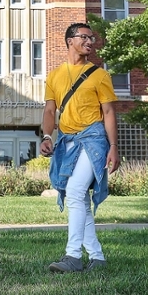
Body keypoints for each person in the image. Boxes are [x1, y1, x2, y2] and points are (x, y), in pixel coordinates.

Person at [41, 22, 120, 273]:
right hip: (67, 139)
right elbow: (50, 109)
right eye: (84, 37)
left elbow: (108, 112)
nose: (90, 42)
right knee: (79, 199)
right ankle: (97, 258)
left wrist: (114, 146)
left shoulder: (100, 75)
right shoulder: (54, 75)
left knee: (75, 191)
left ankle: (72, 256)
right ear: (70, 41)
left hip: (93, 138)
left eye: (92, 38)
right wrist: (46, 136)